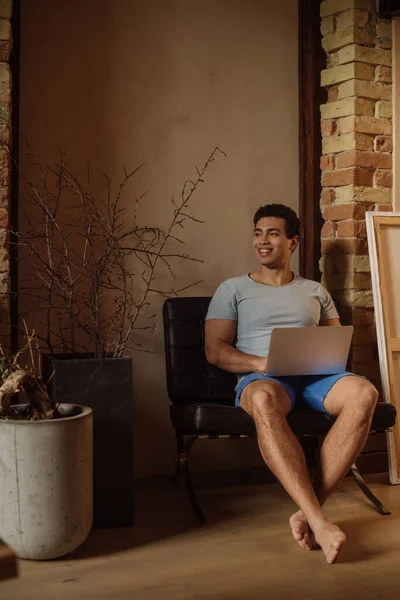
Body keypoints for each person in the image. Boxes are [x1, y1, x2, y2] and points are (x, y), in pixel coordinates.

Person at [204, 203, 378, 564]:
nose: (262, 241)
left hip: (316, 376)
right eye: (257, 233)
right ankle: (319, 520)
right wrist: (259, 362)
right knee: (264, 401)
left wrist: (325, 360)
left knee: (365, 392)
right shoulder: (232, 289)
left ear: (292, 242)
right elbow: (215, 351)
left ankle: (311, 510)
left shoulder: (315, 290)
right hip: (264, 379)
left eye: (272, 233)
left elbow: (336, 344)